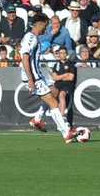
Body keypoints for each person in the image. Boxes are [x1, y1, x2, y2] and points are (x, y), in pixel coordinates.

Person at [22, 13, 81, 143]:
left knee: (54, 91)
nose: (46, 28)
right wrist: (31, 79)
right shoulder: (30, 37)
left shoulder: (35, 38)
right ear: (40, 24)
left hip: (37, 75)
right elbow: (25, 58)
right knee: (54, 103)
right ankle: (66, 132)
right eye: (46, 25)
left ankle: (37, 119)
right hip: (34, 77)